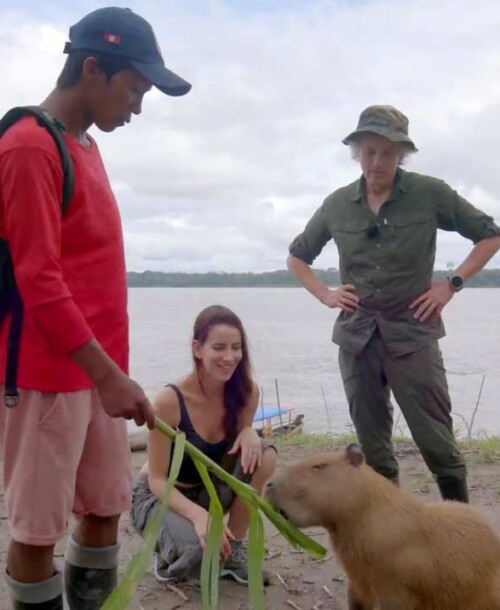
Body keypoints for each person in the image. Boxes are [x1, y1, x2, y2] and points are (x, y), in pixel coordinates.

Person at [0, 7, 191, 609]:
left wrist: (112, 375)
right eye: (134, 88)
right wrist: (109, 377)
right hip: (45, 376)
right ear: (91, 69)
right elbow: (40, 281)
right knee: (36, 532)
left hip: (99, 374)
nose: (137, 106)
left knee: (107, 510)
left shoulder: (84, 144)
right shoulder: (29, 146)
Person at [287, 105, 500, 504]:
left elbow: (490, 235)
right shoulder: (336, 205)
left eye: (387, 152)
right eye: (369, 151)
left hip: (413, 336)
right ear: (357, 152)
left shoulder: (429, 194)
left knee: (438, 446)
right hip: (357, 341)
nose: (377, 161)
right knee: (374, 453)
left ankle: (460, 533)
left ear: (401, 153)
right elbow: (297, 257)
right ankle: (390, 535)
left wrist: (451, 285)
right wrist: (325, 294)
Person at [131, 305, 277, 586]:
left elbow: (247, 440)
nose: (230, 357)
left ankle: (232, 550)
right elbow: (157, 481)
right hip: (159, 499)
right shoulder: (169, 401)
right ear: (198, 349)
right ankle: (169, 555)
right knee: (200, 556)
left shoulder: (247, 391)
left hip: (208, 490)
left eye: (237, 348)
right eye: (219, 348)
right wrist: (198, 516)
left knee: (265, 454)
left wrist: (248, 429)